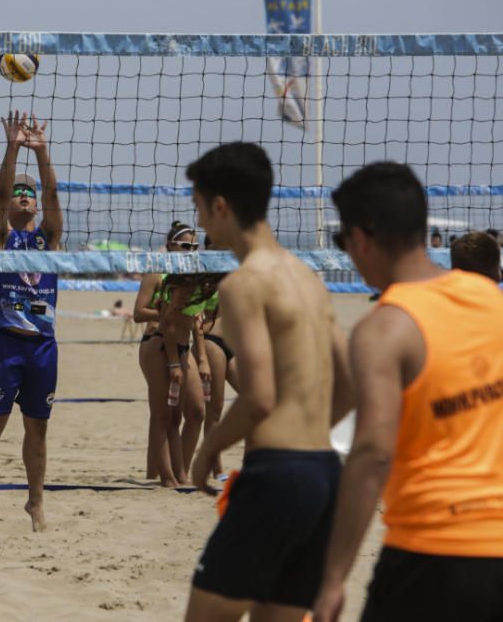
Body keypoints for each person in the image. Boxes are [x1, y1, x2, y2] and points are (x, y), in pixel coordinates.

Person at [314, 163, 503, 622]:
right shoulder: (491, 301)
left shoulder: (384, 328)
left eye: (342, 242)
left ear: (362, 237)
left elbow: (373, 452)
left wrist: (334, 579)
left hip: (431, 552)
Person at [183, 142, 353, 622]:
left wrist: (207, 449)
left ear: (221, 206)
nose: (199, 225)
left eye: (199, 209)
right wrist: (308, 433)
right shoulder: (307, 276)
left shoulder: (243, 283)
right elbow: (349, 383)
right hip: (322, 473)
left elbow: (258, 397)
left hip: (277, 473)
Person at [0, 110, 62, 533]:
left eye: (30, 193)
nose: (24, 195)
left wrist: (41, 154)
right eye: (19, 192)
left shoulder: (49, 236)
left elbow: (54, 194)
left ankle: (35, 503)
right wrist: (10, 148)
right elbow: (0, 196)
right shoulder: (2, 238)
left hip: (42, 344)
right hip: (6, 341)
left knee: (37, 429)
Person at [133, 223, 209, 487]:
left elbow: (196, 323)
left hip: (182, 346)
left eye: (194, 247)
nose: (190, 251)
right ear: (170, 246)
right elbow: (138, 313)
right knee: (163, 415)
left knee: (196, 411)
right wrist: (166, 315)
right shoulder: (157, 270)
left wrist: (202, 359)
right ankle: (166, 477)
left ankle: (180, 473)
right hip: (156, 344)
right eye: (185, 246)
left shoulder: (195, 277)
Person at [200, 235, 238, 478]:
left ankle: (253, 465)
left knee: (259, 400)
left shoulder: (235, 269)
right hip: (212, 340)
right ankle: (215, 469)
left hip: (236, 344)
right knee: (214, 409)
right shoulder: (204, 274)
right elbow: (195, 314)